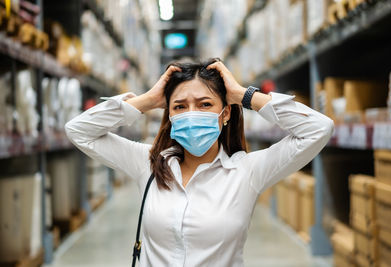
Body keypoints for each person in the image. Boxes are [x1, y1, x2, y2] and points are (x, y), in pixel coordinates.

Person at [65, 57, 334, 266]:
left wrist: (244, 95)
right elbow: (78, 131)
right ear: (168, 115)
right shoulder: (147, 164)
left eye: (205, 104)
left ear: (225, 112)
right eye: (180, 106)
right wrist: (146, 100)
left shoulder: (246, 171)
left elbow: (318, 129)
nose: (192, 114)